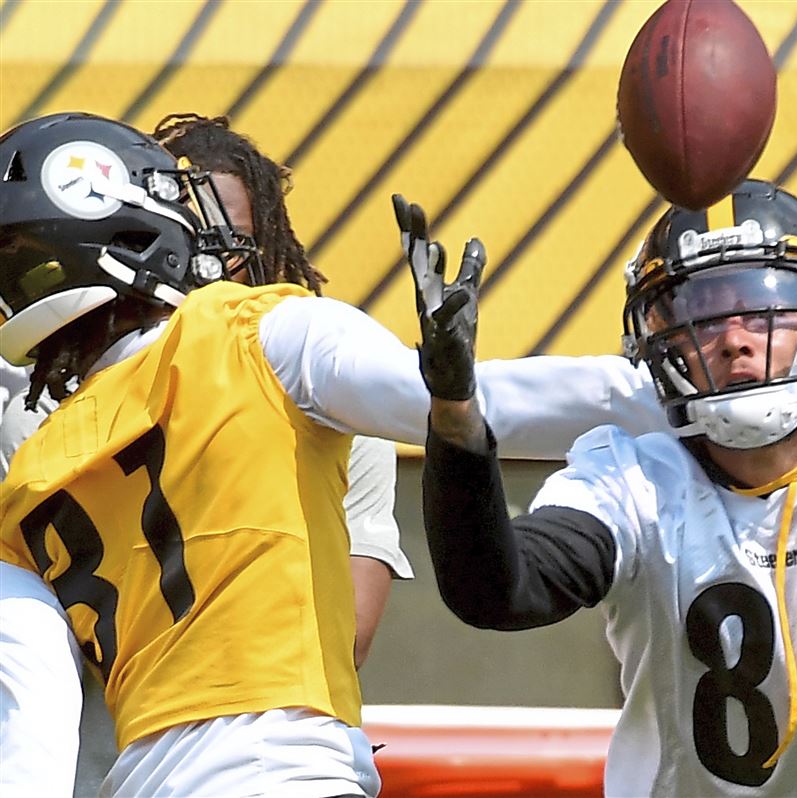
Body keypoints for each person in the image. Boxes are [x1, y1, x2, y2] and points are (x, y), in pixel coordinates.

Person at [0, 111, 670, 797]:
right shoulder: (253, 333)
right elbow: (468, 402)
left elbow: (31, 741)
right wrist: (679, 397)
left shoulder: (26, 480)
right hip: (286, 770)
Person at [407, 177, 797, 796]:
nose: (735, 338)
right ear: (656, 342)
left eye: (762, 309)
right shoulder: (637, 481)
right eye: (702, 317)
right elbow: (496, 591)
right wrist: (456, 408)